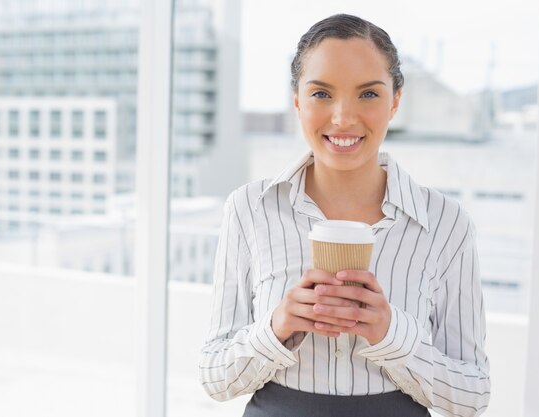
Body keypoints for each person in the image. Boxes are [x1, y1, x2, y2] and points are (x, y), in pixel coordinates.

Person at [199, 13, 490, 417]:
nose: (343, 117)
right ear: (297, 100)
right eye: (321, 94)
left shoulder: (446, 223)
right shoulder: (250, 208)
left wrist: (392, 335)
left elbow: (472, 395)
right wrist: (278, 326)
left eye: (368, 94)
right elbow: (215, 378)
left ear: (395, 101)